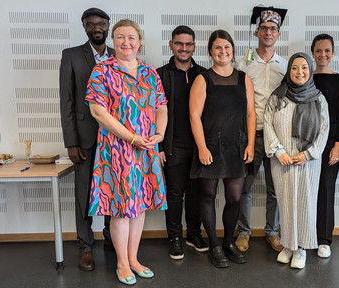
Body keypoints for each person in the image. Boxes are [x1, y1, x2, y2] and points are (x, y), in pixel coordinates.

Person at [85, 19, 167, 285]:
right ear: (113, 41)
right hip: (117, 149)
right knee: (121, 209)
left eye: (131, 37)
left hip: (146, 149)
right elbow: (98, 112)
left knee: (139, 205)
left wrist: (160, 133)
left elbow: (161, 107)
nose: (126, 42)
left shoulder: (149, 72)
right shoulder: (103, 70)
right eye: (120, 37)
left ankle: (133, 259)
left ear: (139, 41)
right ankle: (121, 264)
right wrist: (131, 137)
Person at [189, 29, 256, 268]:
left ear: (232, 50)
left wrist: (249, 144)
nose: (222, 52)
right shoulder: (202, 79)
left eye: (226, 47)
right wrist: (202, 148)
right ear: (210, 51)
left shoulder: (243, 79)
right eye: (218, 47)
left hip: (236, 147)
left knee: (234, 197)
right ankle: (215, 246)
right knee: (206, 195)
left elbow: (250, 114)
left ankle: (229, 242)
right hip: (210, 148)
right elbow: (194, 116)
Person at [59, 7, 114, 271]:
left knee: (114, 190)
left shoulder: (119, 55)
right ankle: (85, 246)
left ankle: (112, 237)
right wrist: (71, 142)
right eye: (91, 24)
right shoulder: (71, 56)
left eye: (101, 23)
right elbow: (67, 101)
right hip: (85, 138)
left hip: (116, 139)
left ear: (108, 25)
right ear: (84, 26)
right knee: (84, 193)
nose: (97, 28)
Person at [264, 52, 329, 269]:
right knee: (285, 202)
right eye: (294, 67)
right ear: (289, 70)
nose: (299, 72)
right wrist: (278, 151)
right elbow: (268, 124)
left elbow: (324, 130)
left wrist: (308, 154)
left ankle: (301, 249)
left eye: (303, 68)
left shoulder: (319, 98)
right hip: (281, 159)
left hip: (307, 161)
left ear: (310, 70)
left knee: (304, 203)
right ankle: (288, 245)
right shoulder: (277, 96)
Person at [236, 6, 288, 253]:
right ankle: (244, 232)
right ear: (256, 32)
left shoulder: (286, 65)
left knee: (275, 189)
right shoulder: (243, 63)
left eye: (273, 29)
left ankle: (272, 232)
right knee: (245, 187)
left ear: (278, 34)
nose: (268, 32)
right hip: (251, 136)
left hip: (277, 138)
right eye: (264, 28)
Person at [157, 25, 208, 260]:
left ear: (194, 47)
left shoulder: (204, 75)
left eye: (188, 44)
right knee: (175, 194)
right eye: (179, 43)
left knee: (196, 193)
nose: (183, 48)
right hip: (173, 146)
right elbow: (152, 113)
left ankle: (194, 234)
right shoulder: (158, 75)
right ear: (171, 45)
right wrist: (159, 147)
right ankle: (175, 237)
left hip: (199, 146)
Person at [310, 34, 339, 259]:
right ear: (312, 53)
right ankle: (305, 235)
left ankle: (324, 239)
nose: (322, 55)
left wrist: (338, 145)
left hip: (331, 142)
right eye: (318, 51)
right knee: (307, 189)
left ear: (332, 53)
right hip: (307, 141)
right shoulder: (305, 78)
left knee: (326, 188)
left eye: (327, 50)